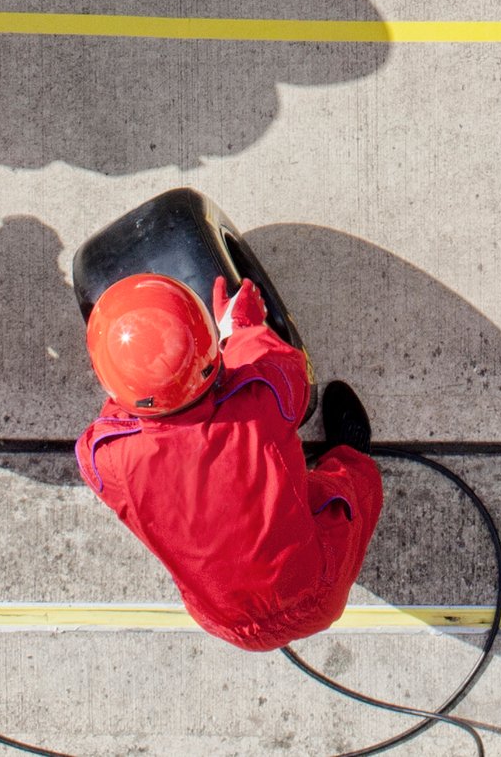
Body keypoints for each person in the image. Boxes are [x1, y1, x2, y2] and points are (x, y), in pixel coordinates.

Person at [75, 271, 383, 651]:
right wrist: (242, 327)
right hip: (316, 594)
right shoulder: (260, 394)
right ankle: (353, 454)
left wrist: (140, 384)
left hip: (224, 621)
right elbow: (289, 374)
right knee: (350, 489)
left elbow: (100, 433)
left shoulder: (106, 460)